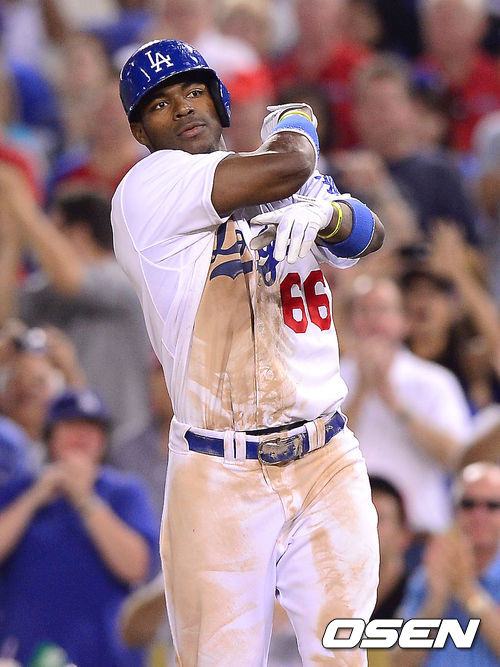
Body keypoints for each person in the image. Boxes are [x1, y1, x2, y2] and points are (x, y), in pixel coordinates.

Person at [112, 38, 384, 666]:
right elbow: (290, 165)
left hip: (325, 456)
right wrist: (297, 124)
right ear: (140, 131)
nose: (183, 107)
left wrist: (332, 216)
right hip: (220, 471)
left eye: (193, 91)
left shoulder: (267, 172)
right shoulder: (149, 187)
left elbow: (367, 236)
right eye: (160, 103)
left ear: (219, 100)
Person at [0, 388, 160, 666]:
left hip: (104, 655)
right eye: (71, 425)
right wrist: (34, 497)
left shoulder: (124, 492)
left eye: (91, 428)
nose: (81, 435)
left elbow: (137, 567)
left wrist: (85, 499)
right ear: (50, 436)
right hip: (24, 652)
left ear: (103, 440)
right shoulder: (20, 488)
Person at [340, 275, 472, 534]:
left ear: (404, 321)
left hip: (421, 531)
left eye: (382, 310)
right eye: (363, 310)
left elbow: (458, 458)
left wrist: (396, 404)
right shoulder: (331, 379)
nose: (373, 320)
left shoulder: (435, 381)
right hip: (350, 529)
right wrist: (360, 394)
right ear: (351, 321)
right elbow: (318, 454)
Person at [396, 462, 500, 666]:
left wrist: (468, 592)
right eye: (468, 504)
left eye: (492, 506)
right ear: (453, 511)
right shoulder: (428, 575)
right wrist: (436, 601)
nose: (479, 515)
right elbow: (400, 662)